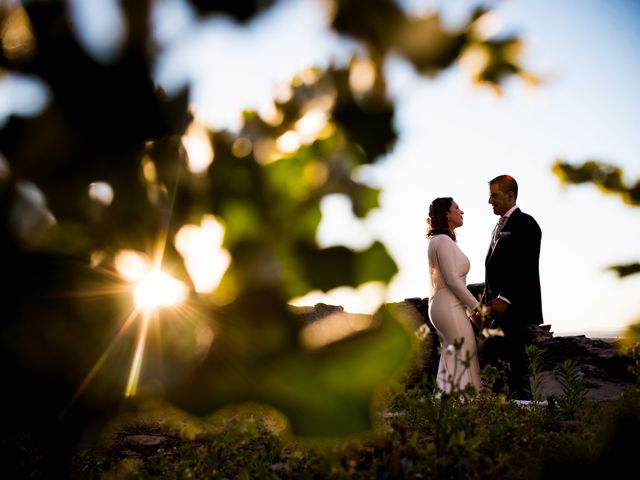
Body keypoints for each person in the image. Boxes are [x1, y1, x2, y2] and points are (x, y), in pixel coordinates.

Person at [481, 174, 543, 399]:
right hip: (496, 312)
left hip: (515, 309)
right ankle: (502, 412)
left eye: (494, 196)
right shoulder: (497, 228)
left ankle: (525, 413)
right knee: (495, 363)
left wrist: (505, 298)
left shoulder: (526, 223)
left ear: (510, 195)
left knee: (516, 366)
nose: (490, 201)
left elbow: (525, 265)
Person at [426, 197, 482, 394]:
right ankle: (464, 405)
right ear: (447, 214)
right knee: (464, 352)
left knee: (452, 356)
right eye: (457, 208)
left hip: (445, 306)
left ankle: (447, 405)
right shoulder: (441, 241)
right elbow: (451, 280)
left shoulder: (442, 241)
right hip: (447, 306)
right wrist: (477, 307)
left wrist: (467, 310)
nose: (462, 211)